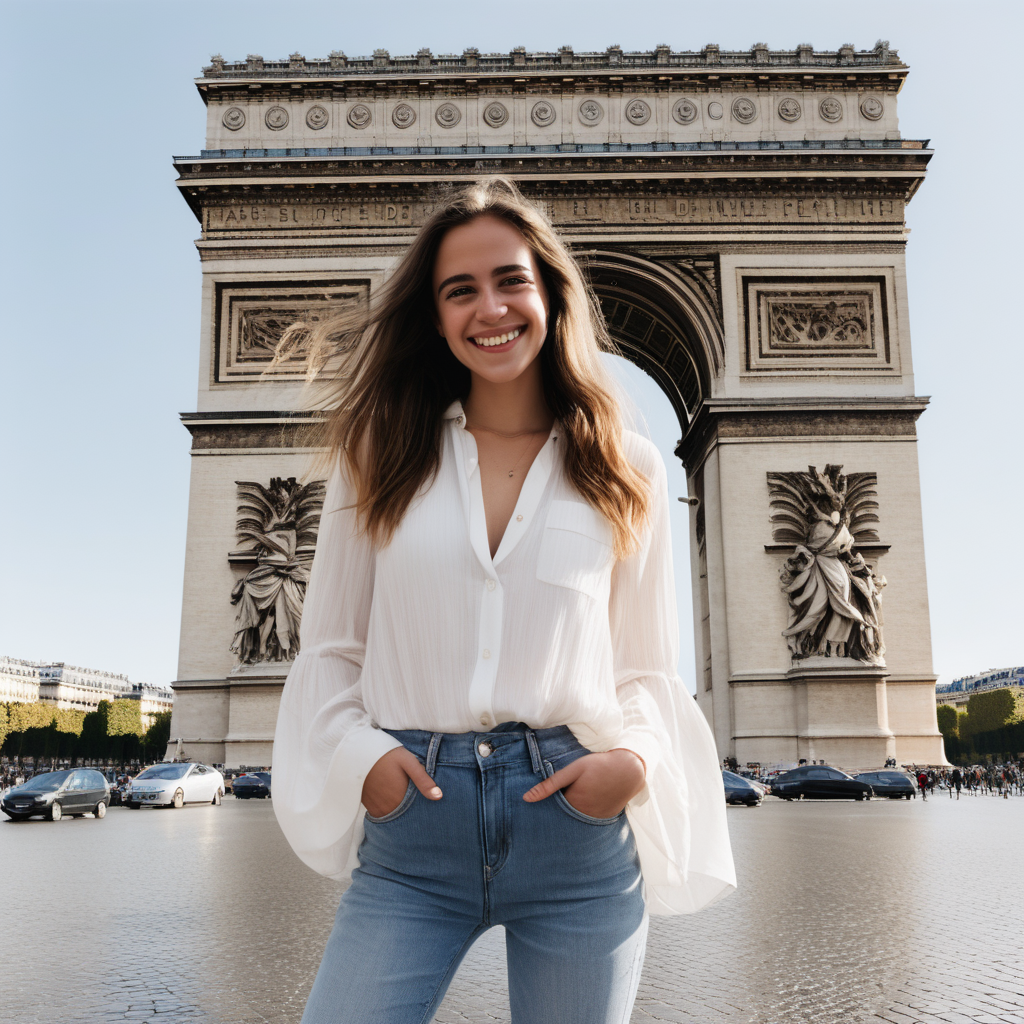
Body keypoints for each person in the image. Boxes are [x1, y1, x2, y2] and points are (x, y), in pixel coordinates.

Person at [270, 177, 735, 1024]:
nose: (491, 308)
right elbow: (332, 648)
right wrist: (363, 764)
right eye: (461, 290)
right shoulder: (379, 452)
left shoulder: (628, 466)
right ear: (435, 315)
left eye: (511, 279)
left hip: (576, 834)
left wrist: (632, 765)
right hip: (415, 833)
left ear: (551, 293)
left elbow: (642, 666)